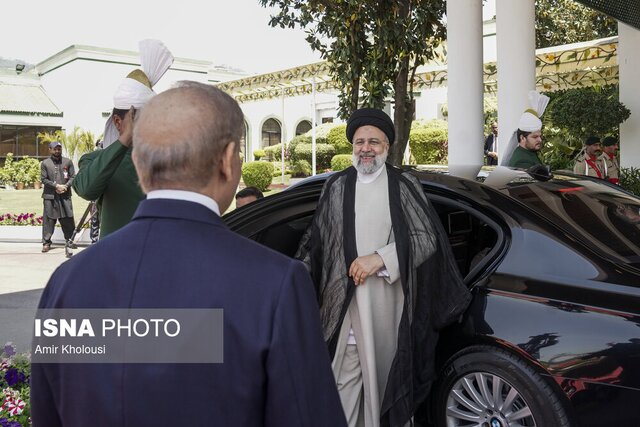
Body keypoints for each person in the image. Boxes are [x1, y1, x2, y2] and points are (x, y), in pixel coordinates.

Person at [31, 82, 347, 427]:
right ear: (228, 161)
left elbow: (47, 414)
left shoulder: (67, 283)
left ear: (138, 162)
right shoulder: (274, 285)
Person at [296, 108, 471, 427]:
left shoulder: (402, 184)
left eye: (373, 141)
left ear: (387, 146)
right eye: (360, 141)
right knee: (341, 383)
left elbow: (425, 238)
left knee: (383, 386)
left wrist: (380, 258)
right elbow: (317, 240)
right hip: (343, 304)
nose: (365, 148)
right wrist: (292, 275)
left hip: (386, 305)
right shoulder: (336, 185)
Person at [73, 39, 174, 238]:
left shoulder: (166, 159)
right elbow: (85, 189)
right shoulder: (95, 160)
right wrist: (126, 138)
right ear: (118, 122)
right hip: (115, 260)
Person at [40, 141, 75, 253]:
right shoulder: (45, 163)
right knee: (49, 219)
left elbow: (73, 177)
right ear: (50, 149)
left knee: (67, 218)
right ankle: (46, 243)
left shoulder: (67, 162)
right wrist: (56, 186)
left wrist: (65, 186)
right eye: (55, 149)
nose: (57, 151)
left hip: (65, 195)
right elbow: (44, 179)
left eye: (59, 149)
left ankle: (70, 241)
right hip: (50, 196)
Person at [504, 91, 550, 169]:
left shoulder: (528, 152)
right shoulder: (522, 161)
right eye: (535, 137)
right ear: (522, 138)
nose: (540, 140)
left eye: (540, 136)